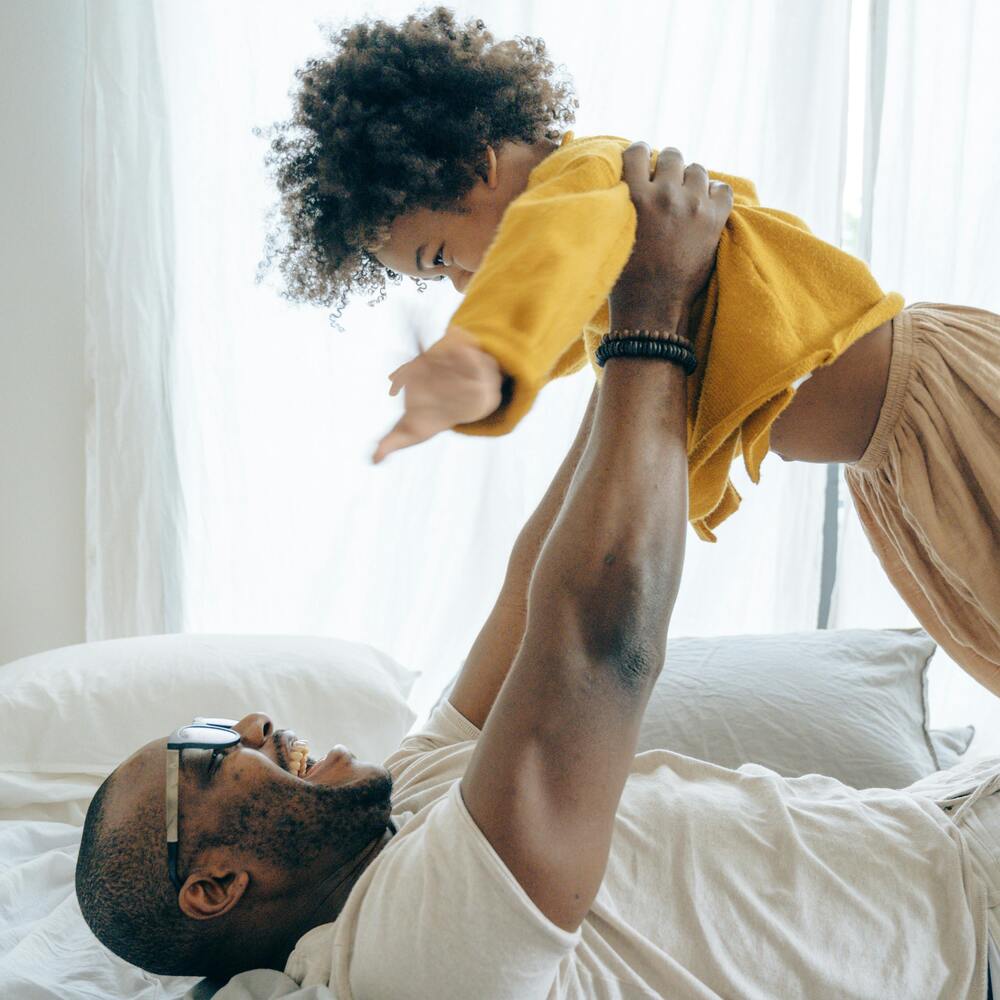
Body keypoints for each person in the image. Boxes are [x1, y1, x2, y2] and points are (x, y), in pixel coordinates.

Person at [77, 147, 999, 1000]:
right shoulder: (415, 953)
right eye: (204, 750)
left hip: (953, 823)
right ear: (214, 886)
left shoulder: (414, 803)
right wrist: (654, 318)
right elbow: (601, 644)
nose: (247, 722)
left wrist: (624, 320)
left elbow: (533, 589)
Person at [259, 6, 999, 693]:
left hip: (935, 400)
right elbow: (562, 331)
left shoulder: (582, 180)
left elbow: (543, 269)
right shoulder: (599, 247)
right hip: (890, 454)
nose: (458, 284)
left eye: (440, 257)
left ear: (476, 169)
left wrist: (478, 363)